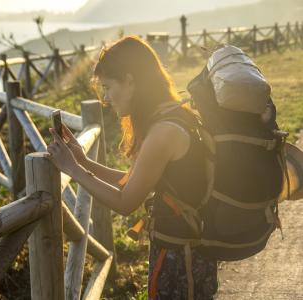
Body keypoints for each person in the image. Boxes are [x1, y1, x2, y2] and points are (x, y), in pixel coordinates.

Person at [47, 36, 218, 300]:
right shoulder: (172, 114)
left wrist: (74, 170)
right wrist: (82, 161)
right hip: (184, 249)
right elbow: (134, 180)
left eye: (107, 87)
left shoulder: (163, 132)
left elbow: (126, 201)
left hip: (180, 258)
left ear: (130, 80)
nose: (105, 98)